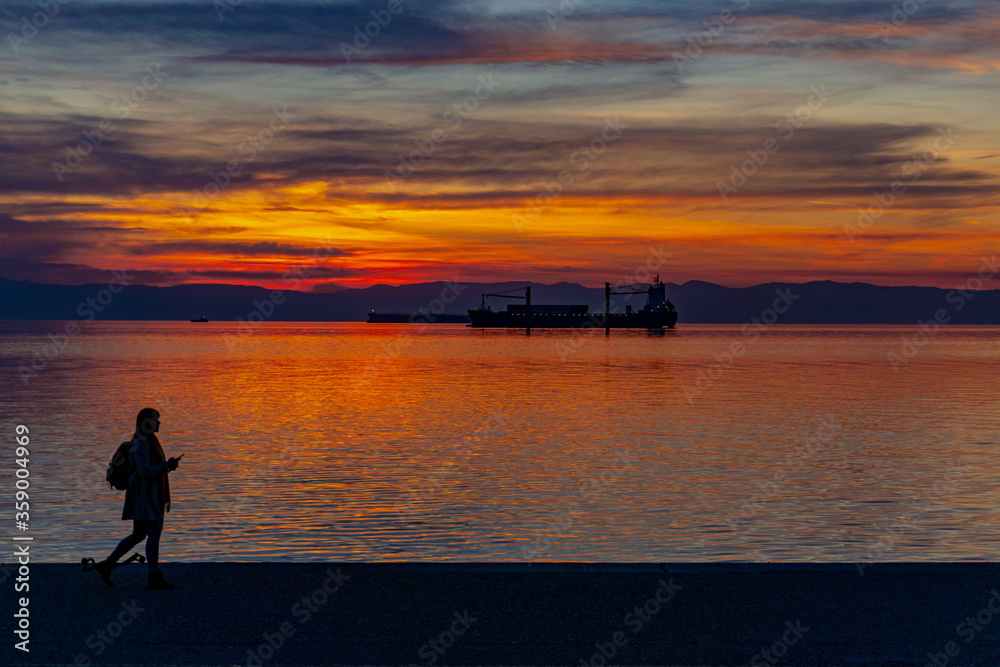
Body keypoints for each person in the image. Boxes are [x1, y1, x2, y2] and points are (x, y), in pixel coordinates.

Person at [94, 408, 182, 590]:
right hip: (144, 496)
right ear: (147, 422)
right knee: (154, 533)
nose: (159, 423)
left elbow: (149, 468)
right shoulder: (141, 443)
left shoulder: (148, 441)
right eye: (156, 420)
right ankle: (153, 576)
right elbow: (143, 471)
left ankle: (108, 565)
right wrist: (165, 465)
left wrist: (166, 467)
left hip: (145, 495)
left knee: (139, 534)